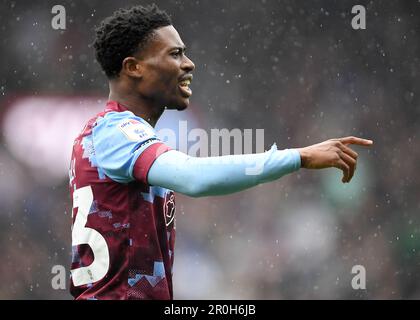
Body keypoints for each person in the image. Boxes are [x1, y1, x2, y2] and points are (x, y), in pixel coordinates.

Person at [69, 4, 373, 300]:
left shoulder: (106, 134)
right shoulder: (115, 132)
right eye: (174, 54)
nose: (189, 64)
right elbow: (194, 178)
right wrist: (298, 157)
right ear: (133, 67)